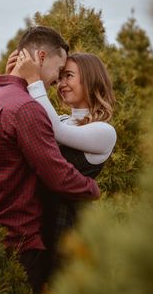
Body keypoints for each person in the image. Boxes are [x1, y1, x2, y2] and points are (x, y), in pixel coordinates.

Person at [0, 26, 100, 294]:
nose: (58, 79)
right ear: (41, 57)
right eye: (58, 68)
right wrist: (92, 189)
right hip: (20, 242)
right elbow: (57, 175)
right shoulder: (26, 108)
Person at [9, 48, 116, 279]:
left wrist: (34, 80)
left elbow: (55, 131)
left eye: (69, 76)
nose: (61, 83)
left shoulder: (104, 132)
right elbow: (34, 118)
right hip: (39, 220)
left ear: (90, 78)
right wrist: (16, 78)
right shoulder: (62, 119)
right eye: (60, 77)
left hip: (67, 228)